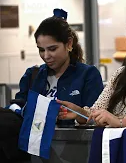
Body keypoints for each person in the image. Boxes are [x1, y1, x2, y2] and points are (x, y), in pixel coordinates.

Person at [0, 9, 104, 162]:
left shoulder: (88, 75)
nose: (46, 56)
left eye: (52, 49)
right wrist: (28, 111)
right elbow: (15, 107)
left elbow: (98, 117)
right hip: (30, 150)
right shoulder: (33, 75)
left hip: (73, 150)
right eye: (41, 50)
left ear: (69, 44)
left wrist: (77, 113)